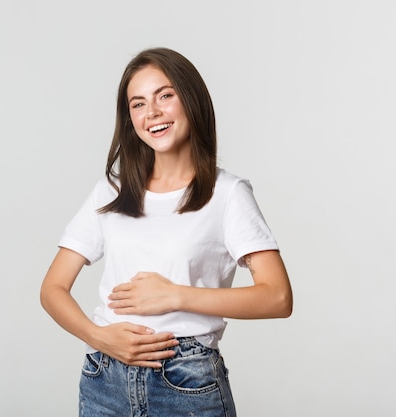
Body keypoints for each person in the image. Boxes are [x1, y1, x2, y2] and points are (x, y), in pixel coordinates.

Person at [40, 47, 293, 417]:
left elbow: (277, 298)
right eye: (138, 104)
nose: (152, 112)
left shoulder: (228, 195)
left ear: (190, 99)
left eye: (165, 96)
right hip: (103, 379)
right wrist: (99, 337)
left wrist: (174, 295)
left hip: (186, 381)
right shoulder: (112, 191)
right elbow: (52, 289)